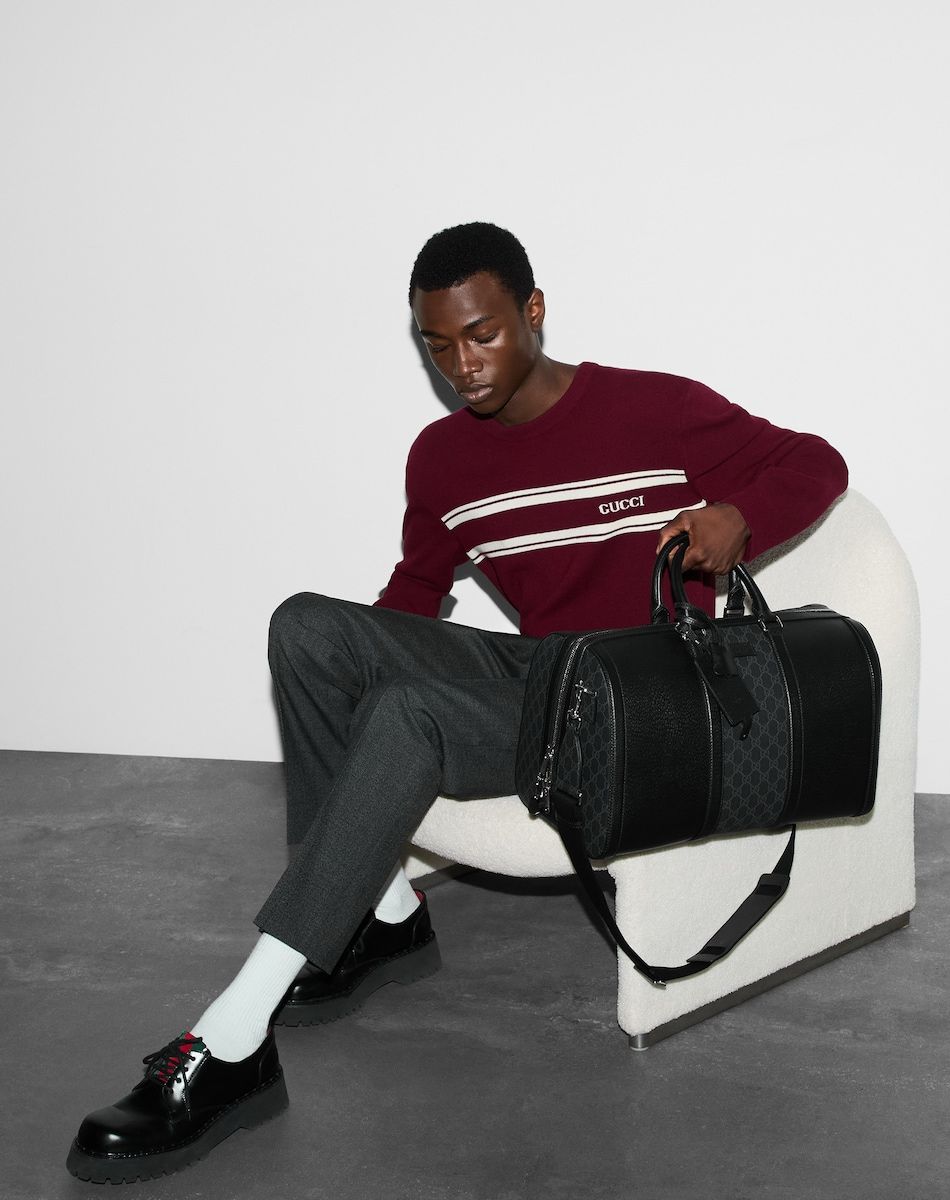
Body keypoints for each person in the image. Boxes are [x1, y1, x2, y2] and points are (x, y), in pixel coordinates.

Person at [66, 222, 848, 1183]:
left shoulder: (657, 410)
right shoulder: (442, 458)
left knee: (410, 715)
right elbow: (413, 593)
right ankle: (379, 908)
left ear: (533, 311)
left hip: (642, 703)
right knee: (306, 626)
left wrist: (737, 515)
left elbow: (818, 461)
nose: (462, 366)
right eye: (437, 346)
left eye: (482, 334)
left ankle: (233, 1035)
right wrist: (360, 669)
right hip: (539, 673)